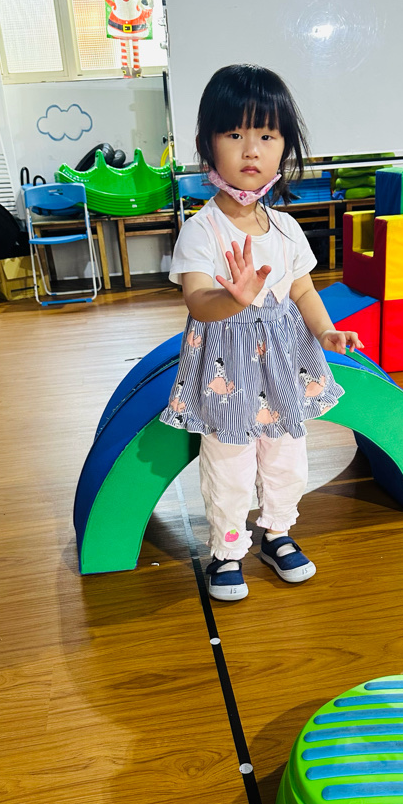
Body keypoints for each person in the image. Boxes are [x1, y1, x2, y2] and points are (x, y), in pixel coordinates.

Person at [160, 64, 363, 602]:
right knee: (228, 462)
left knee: (286, 454)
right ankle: (227, 551)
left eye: (267, 136)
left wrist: (326, 331)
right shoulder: (201, 229)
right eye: (234, 134)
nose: (251, 150)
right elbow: (197, 302)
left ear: (284, 147)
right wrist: (234, 298)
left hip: (282, 368)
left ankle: (277, 532)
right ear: (208, 145)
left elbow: (303, 289)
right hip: (227, 369)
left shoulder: (287, 228)